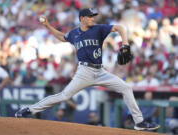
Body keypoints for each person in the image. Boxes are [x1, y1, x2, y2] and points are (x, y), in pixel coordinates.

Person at [15, 8, 160, 131]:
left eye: (93, 16)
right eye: (90, 16)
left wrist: (125, 44)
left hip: (100, 72)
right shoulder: (74, 34)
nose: (92, 18)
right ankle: (30, 109)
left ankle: (139, 122)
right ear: (82, 18)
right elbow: (61, 37)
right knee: (64, 95)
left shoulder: (98, 29)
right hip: (84, 72)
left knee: (126, 88)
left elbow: (120, 28)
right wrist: (47, 26)